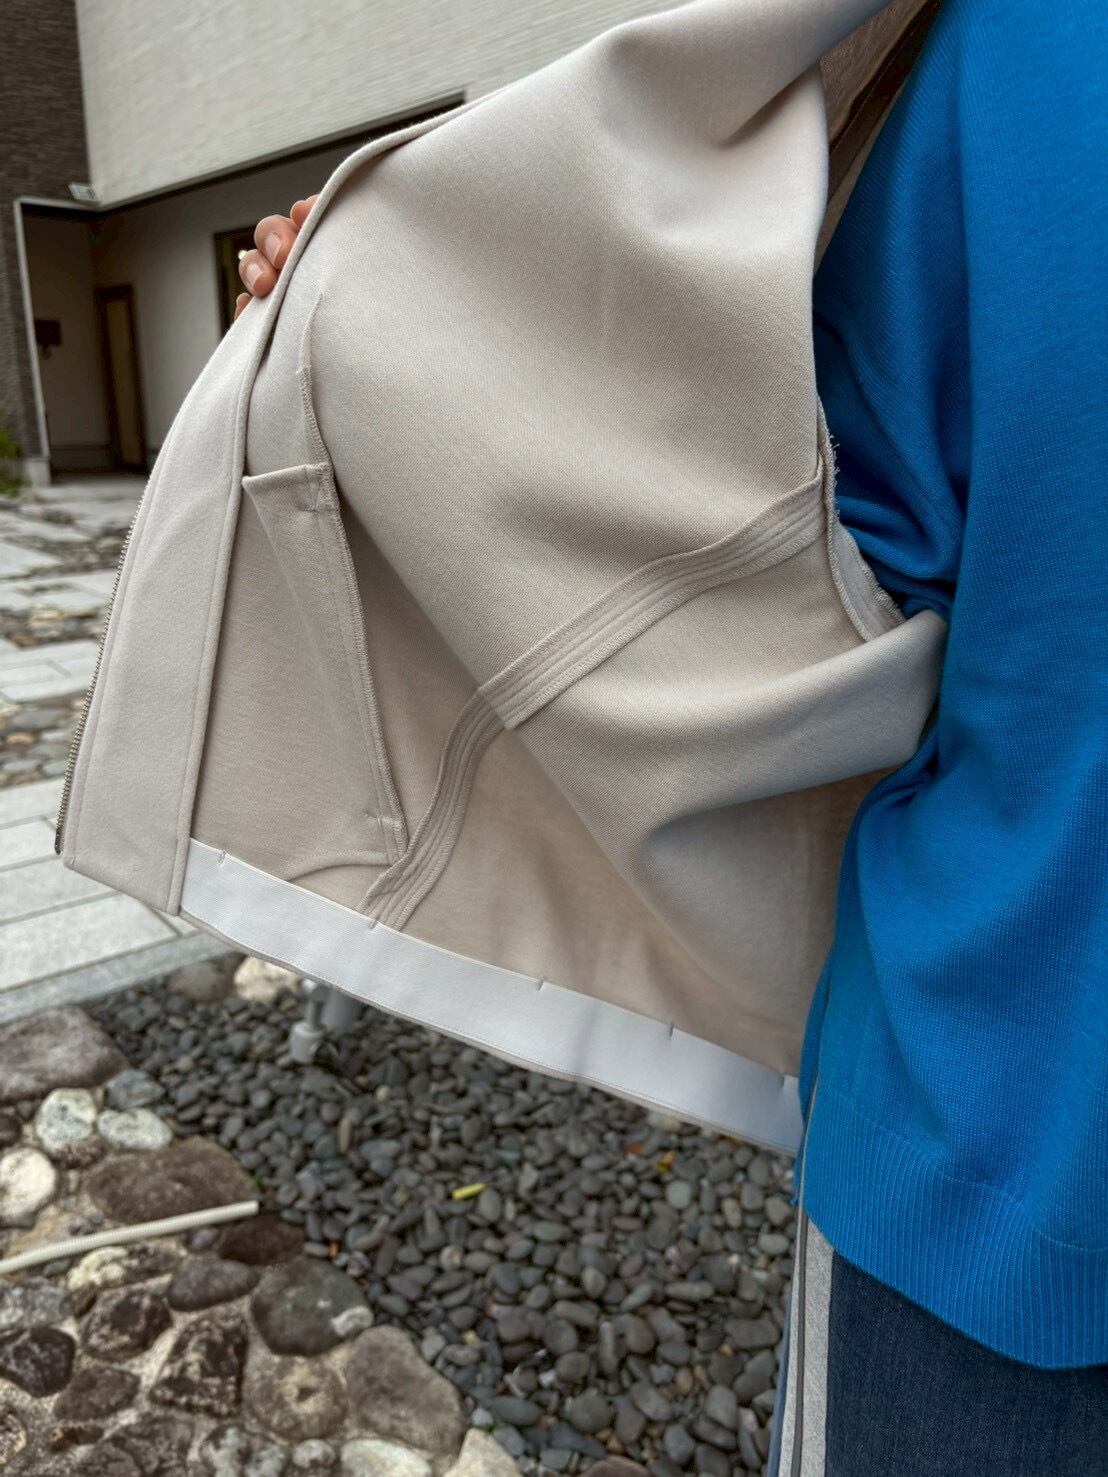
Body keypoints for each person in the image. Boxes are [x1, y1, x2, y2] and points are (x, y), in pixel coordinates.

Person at [232, 0, 1108, 1470]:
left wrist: (390, 321)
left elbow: (793, 525)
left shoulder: (1043, 43)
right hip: (1003, 1140)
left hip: (1002, 1122)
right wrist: (387, 300)